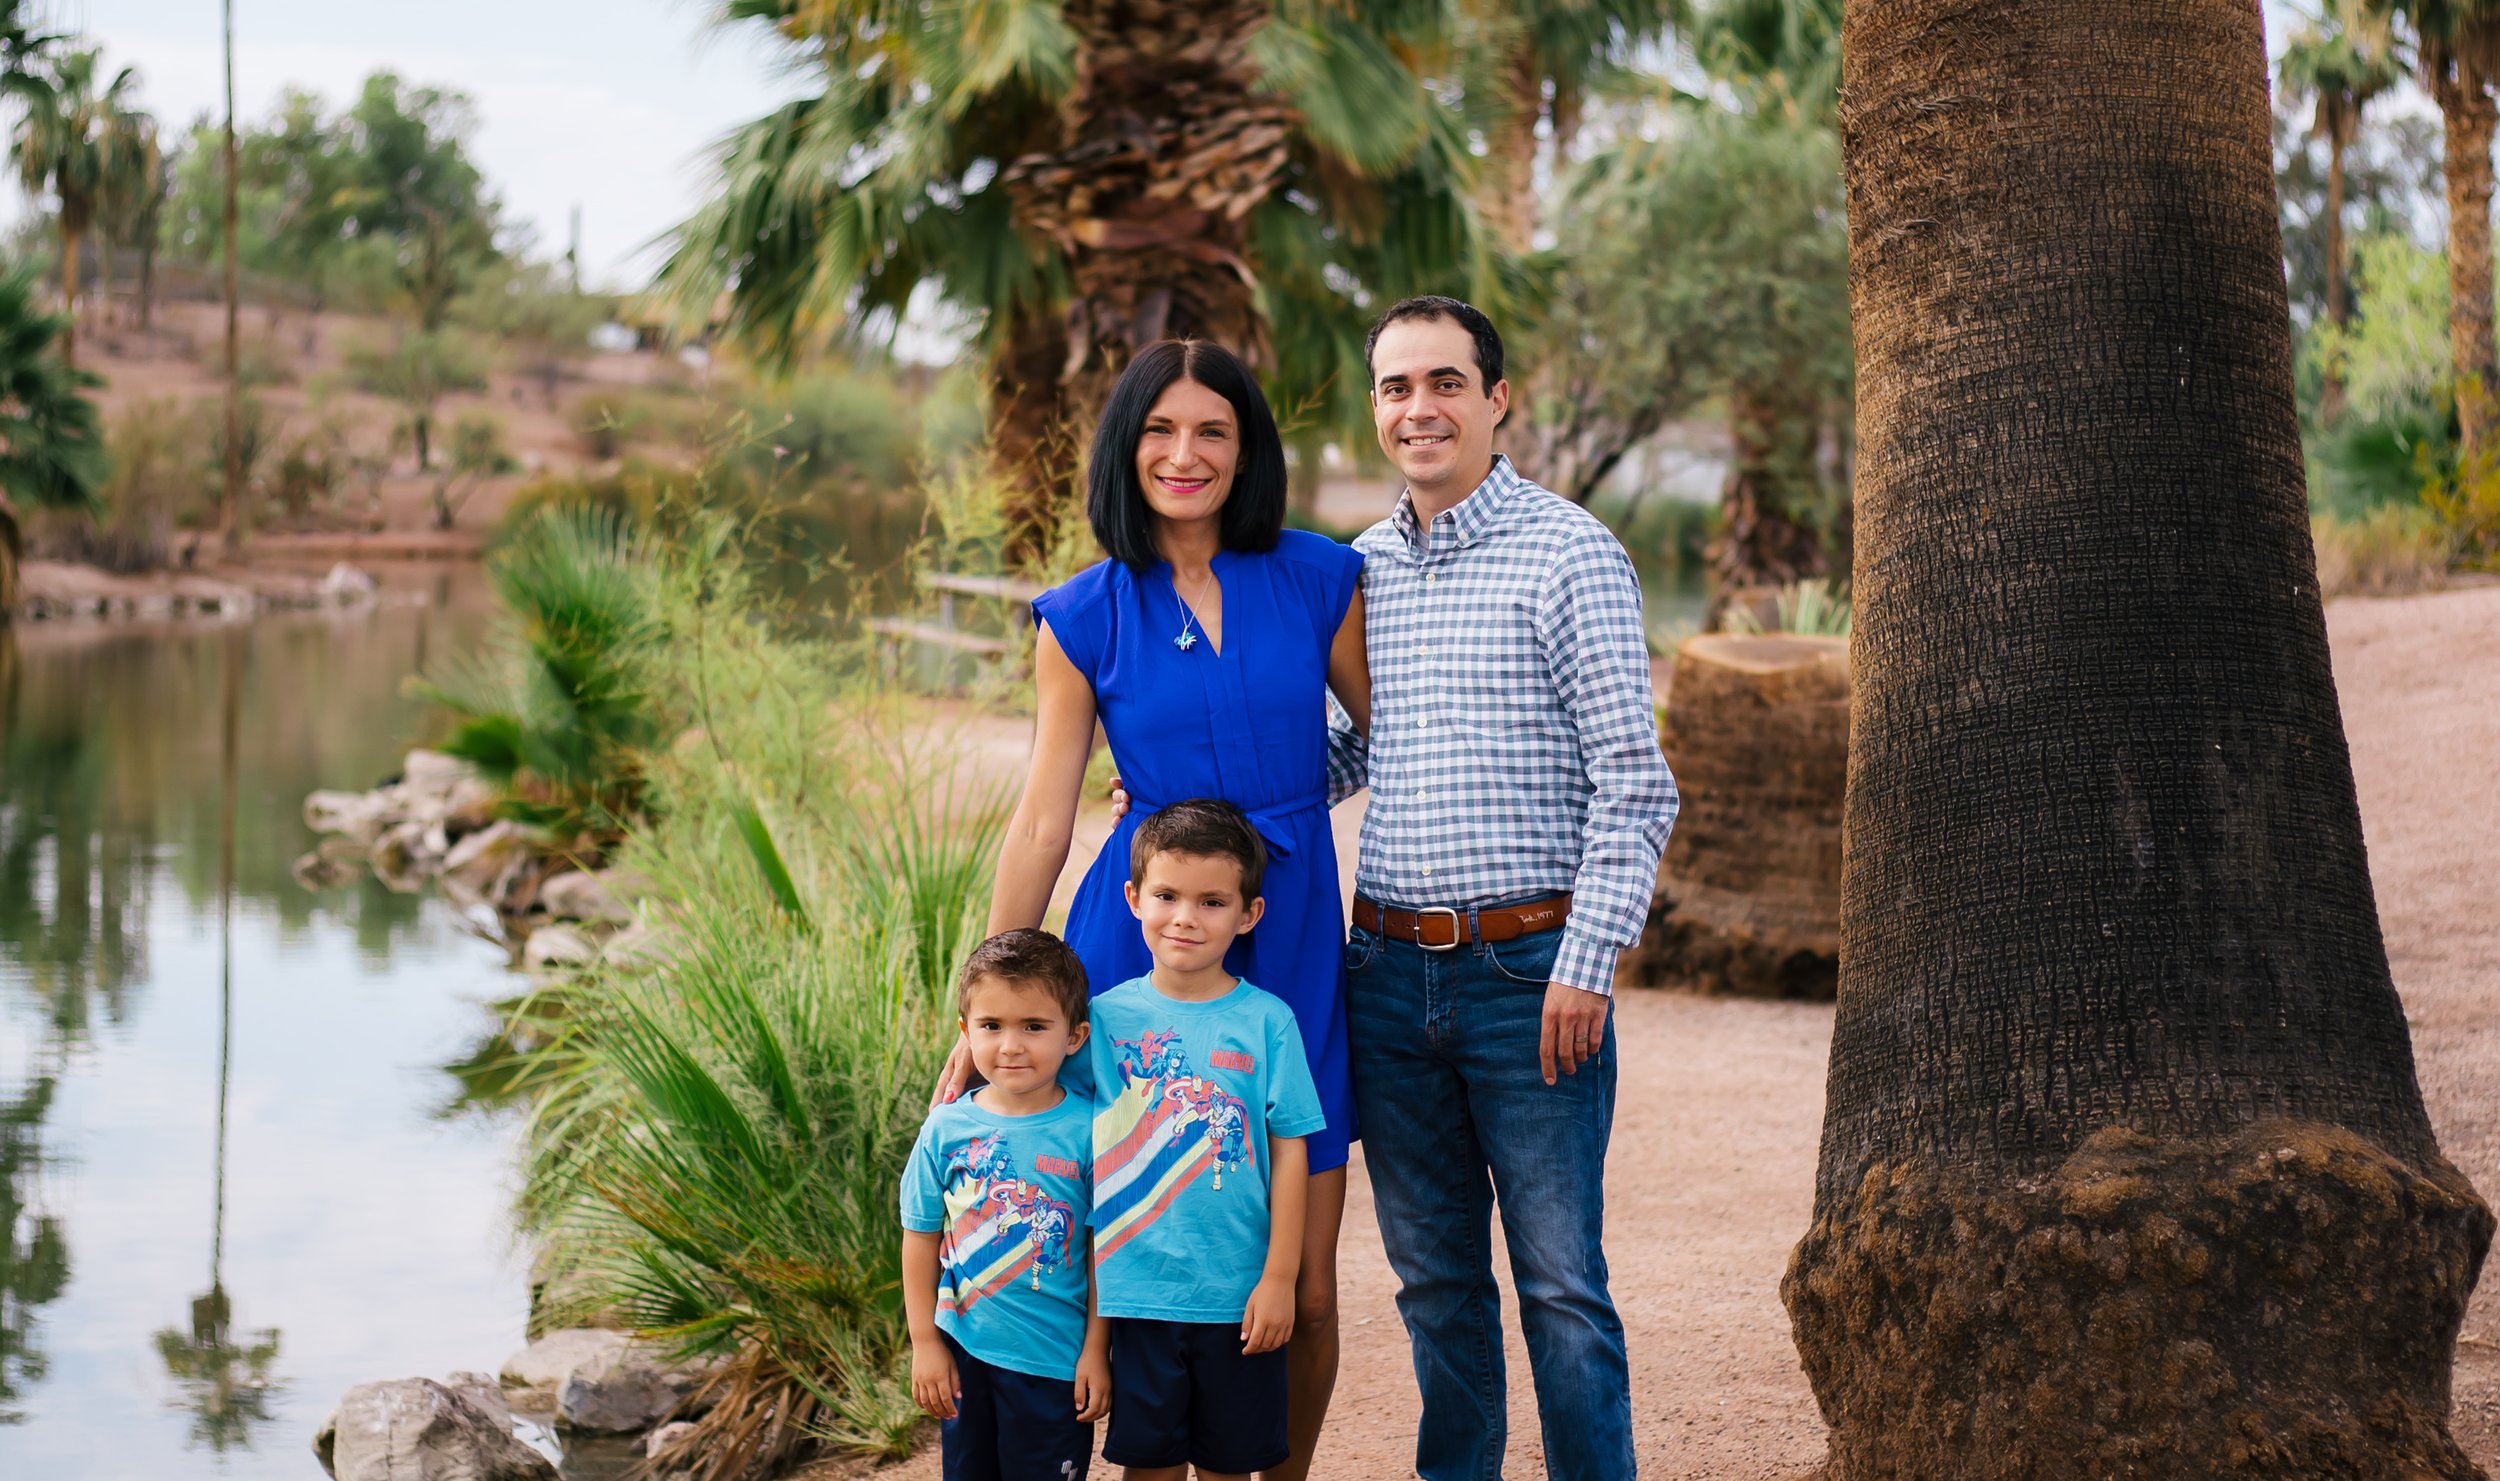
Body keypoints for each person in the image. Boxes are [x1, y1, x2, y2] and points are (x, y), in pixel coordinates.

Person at [948, 338, 1369, 1480]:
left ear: (1247, 449)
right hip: (1136, 947)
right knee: (1129, 1261)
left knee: (1309, 1281)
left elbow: (1390, 739)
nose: (1185, 455)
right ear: (1124, 449)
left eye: (1213, 431)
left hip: (1285, 939)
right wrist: (981, 1005)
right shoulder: (1084, 615)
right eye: (1159, 432)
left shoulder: (1322, 576)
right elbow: (1042, 820)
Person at [1329, 296, 1680, 1481]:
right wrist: (1175, 786)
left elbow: (1635, 788)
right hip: (1381, 974)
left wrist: (1585, 964)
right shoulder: (1358, 570)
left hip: (1527, 974)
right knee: (1432, 1283)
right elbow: (1335, 751)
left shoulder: (1569, 551)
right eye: (1393, 387)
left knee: (1561, 1287)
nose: (1416, 408)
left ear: (1496, 397)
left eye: (1442, 383)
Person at [1086, 799, 1323, 1481]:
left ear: (1248, 914)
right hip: (1138, 1296)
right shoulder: (1102, 1021)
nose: (1185, 916)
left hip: (1237, 1293)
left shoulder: (1267, 1022)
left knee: (1227, 1466)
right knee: (1151, 1468)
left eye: (1212, 900)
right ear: (1134, 899)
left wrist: (1280, 1276)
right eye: (1166, 895)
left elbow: (1290, 1152)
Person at [902, 929, 1111, 1481]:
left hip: (1053, 1363)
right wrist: (925, 1341)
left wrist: (1096, 1350)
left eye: (1034, 1026)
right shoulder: (945, 1128)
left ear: (1074, 1036)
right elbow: (920, 1235)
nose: (1010, 1045)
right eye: (991, 1026)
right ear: (965, 1031)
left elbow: (1100, 1251)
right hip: (966, 1354)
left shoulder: (1090, 1130)